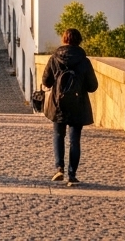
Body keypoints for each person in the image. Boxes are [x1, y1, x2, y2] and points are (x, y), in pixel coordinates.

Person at [41, 27, 98, 186]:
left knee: (58, 135)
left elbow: (46, 81)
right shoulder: (84, 61)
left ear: (64, 39)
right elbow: (93, 86)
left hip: (58, 103)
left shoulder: (54, 58)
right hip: (78, 104)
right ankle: (72, 175)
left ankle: (59, 168)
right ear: (79, 41)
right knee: (75, 140)